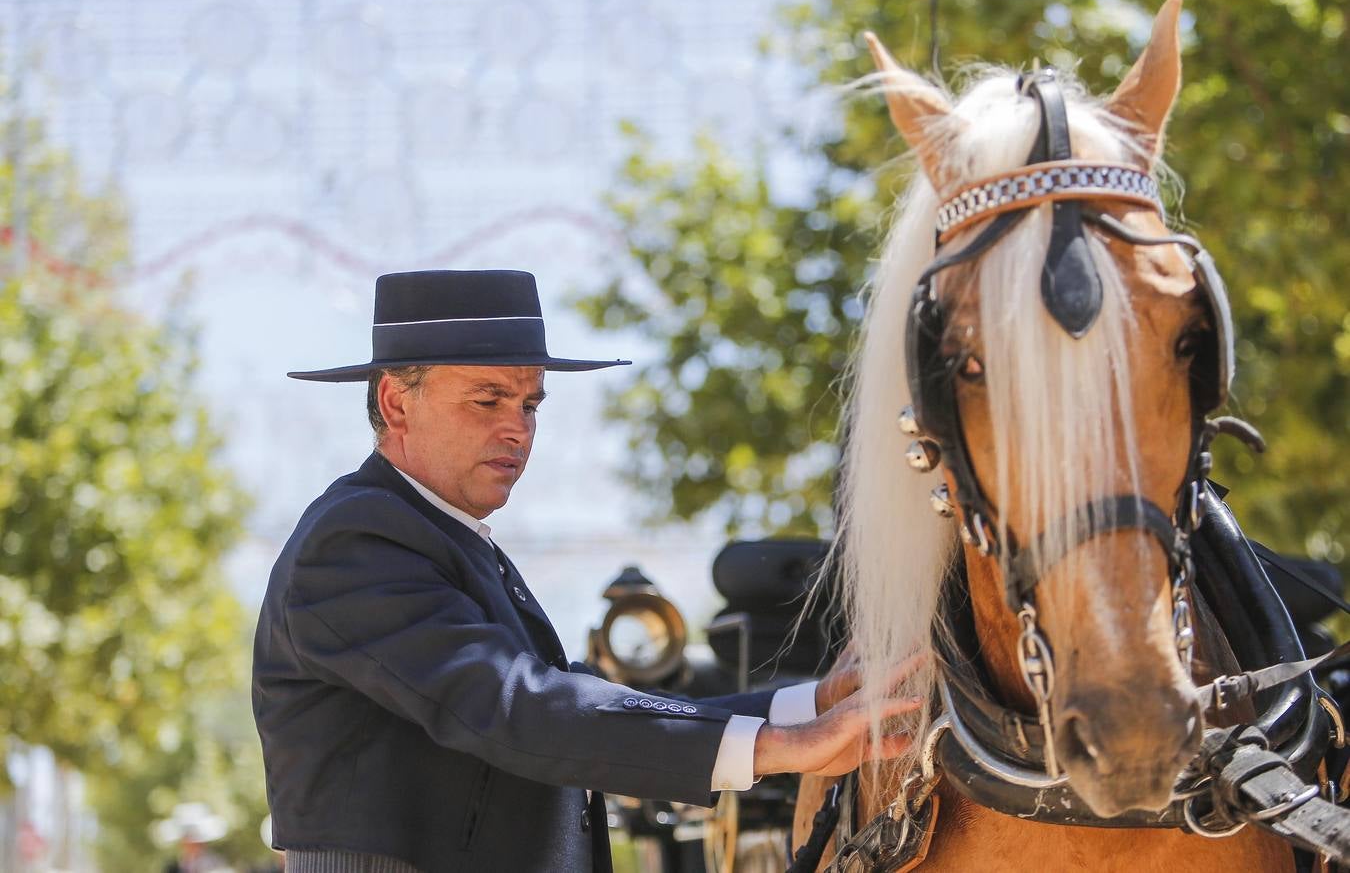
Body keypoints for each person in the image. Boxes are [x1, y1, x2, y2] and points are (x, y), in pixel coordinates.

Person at [252, 269, 918, 873]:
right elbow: (521, 709)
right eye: (488, 400)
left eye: (531, 404)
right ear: (396, 402)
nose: (518, 429)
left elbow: (571, 702)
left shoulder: (442, 539)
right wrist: (778, 747)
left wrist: (808, 702)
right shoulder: (356, 542)